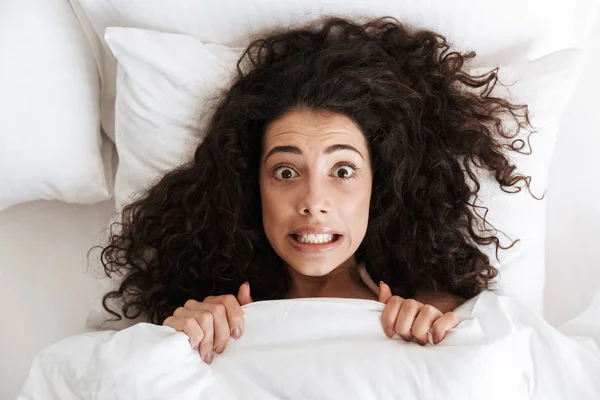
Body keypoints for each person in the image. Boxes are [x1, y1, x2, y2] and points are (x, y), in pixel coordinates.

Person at [98, 16, 539, 365]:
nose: (313, 203)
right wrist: (174, 341)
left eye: (343, 170)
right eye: (286, 172)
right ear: (252, 187)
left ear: (379, 186)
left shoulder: (433, 314)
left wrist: (444, 325)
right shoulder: (208, 319)